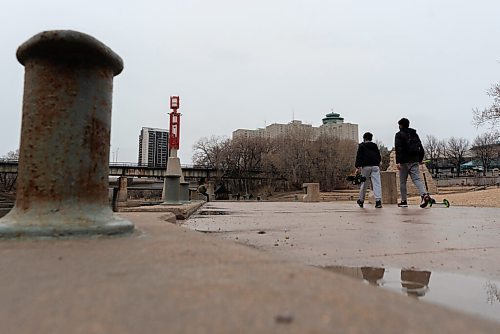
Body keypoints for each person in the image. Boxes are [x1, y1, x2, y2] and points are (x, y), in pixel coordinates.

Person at [394, 118, 430, 208]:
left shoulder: (399, 135)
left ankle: (404, 201)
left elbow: (398, 148)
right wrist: (420, 159)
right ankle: (424, 194)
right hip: (414, 160)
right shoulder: (414, 134)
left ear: (401, 125)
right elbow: (420, 147)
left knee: (403, 182)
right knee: (417, 179)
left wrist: (398, 161)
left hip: (404, 161)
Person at [355, 132, 382, 208]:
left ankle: (361, 200)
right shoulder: (375, 146)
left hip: (366, 166)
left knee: (364, 184)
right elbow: (379, 156)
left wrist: (357, 167)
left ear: (364, 138)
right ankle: (378, 201)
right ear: (371, 138)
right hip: (375, 166)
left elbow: (359, 156)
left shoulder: (362, 146)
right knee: (377, 183)